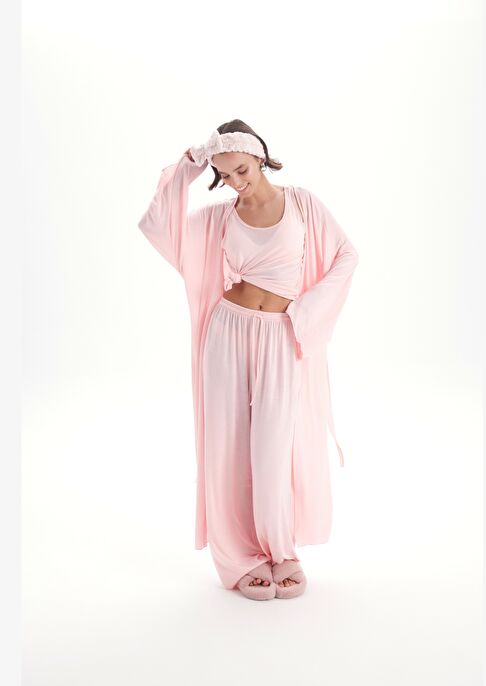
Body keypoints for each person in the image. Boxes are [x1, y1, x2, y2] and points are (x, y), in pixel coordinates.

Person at [137, 119, 359, 600]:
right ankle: (239, 557)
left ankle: (281, 550)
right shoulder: (219, 217)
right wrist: (189, 166)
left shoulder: (302, 204)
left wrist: (307, 312)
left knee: (273, 448)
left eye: (241, 169)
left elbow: (346, 255)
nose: (235, 181)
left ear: (259, 156)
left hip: (281, 335)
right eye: (224, 175)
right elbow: (158, 225)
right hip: (227, 331)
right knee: (228, 447)